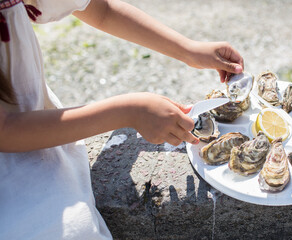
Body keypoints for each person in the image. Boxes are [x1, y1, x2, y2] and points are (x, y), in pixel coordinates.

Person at [0, 0, 244, 239]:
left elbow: (101, 9)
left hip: (34, 131)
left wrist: (188, 50)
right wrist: (128, 111)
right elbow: (5, 130)